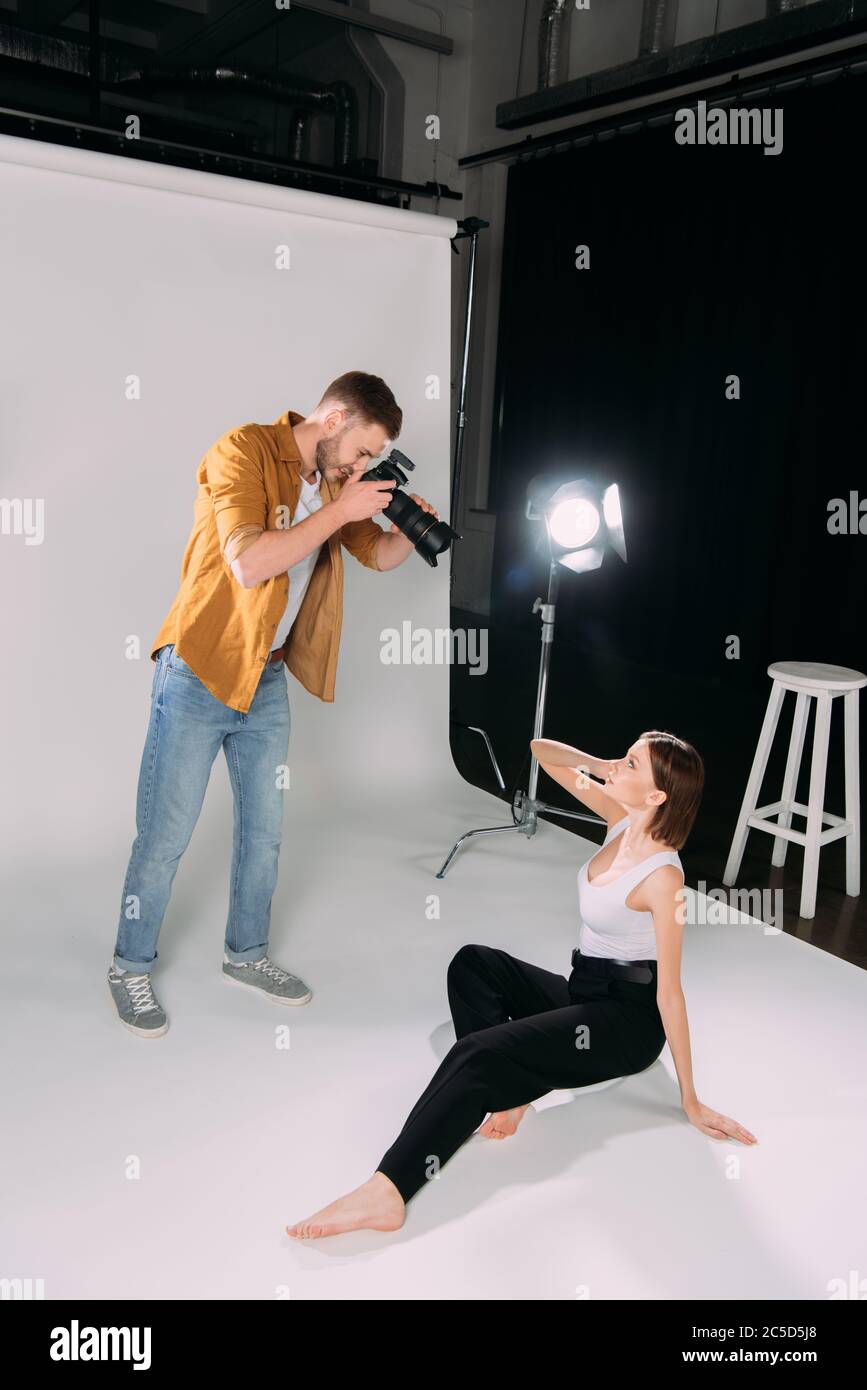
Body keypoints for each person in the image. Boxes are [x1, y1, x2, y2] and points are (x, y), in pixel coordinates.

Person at [286, 729, 758, 1239]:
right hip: (586, 991)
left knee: (480, 1054)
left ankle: (388, 1190)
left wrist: (691, 1099)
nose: (618, 767)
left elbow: (670, 992)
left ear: (658, 796)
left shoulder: (664, 878)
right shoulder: (619, 819)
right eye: (624, 756)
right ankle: (513, 1093)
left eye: (632, 764)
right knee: (472, 965)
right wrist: (605, 762)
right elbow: (541, 751)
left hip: (627, 1023)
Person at [108, 371, 439, 1036]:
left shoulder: (332, 487)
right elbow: (248, 563)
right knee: (165, 837)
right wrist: (340, 509)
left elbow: (372, 552)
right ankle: (129, 965)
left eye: (371, 458)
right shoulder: (243, 450)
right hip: (200, 669)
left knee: (263, 834)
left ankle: (247, 955)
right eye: (361, 449)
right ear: (336, 416)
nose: (361, 465)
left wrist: (410, 530)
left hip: (266, 682)